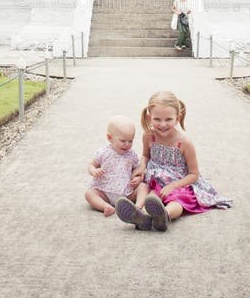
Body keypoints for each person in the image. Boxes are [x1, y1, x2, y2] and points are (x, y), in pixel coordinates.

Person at [115, 91, 232, 231]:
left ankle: (165, 215)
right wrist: (142, 166)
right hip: (156, 182)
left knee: (177, 200)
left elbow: (194, 174)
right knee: (151, 197)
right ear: (149, 117)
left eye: (168, 119)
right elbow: (146, 155)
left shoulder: (184, 143)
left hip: (178, 184)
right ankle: (142, 216)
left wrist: (173, 186)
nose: (162, 124)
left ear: (177, 118)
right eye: (157, 119)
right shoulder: (148, 137)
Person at [85, 116, 143, 217]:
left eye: (130, 141)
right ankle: (105, 206)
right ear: (110, 138)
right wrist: (94, 170)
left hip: (126, 193)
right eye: (123, 141)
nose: (127, 145)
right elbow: (91, 165)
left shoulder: (131, 154)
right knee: (89, 194)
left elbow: (137, 169)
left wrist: (138, 178)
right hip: (105, 192)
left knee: (143, 187)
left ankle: (137, 208)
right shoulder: (103, 152)